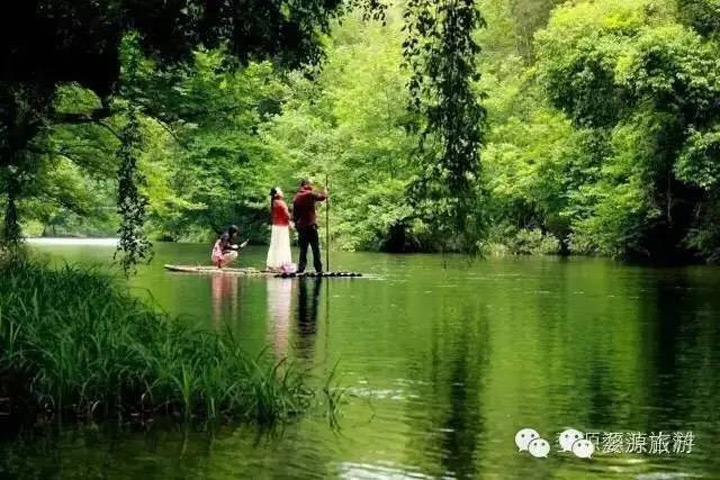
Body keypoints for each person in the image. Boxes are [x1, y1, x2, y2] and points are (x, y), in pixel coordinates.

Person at [292, 179, 327, 273]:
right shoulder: (310, 194)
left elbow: (295, 214)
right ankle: (318, 269)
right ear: (307, 184)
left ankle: (301, 268)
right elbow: (322, 197)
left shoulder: (296, 196)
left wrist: (296, 225)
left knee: (303, 249)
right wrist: (325, 191)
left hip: (301, 226)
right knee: (315, 248)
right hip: (311, 225)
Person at [266, 187, 293, 272]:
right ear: (277, 194)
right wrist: (290, 221)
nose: (282, 192)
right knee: (282, 245)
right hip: (282, 227)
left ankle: (273, 264)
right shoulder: (280, 203)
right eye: (280, 191)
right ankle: (281, 264)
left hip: (276, 226)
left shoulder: (274, 202)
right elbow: (286, 214)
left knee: (275, 245)